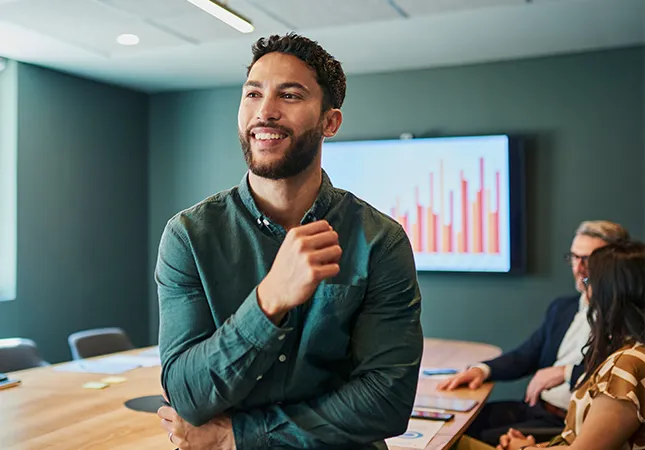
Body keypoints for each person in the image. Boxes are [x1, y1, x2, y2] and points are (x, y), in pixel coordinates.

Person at [155, 33, 423, 450]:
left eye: (290, 95)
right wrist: (268, 302)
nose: (265, 111)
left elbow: (386, 401)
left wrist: (239, 437)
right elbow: (187, 395)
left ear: (329, 122)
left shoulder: (380, 241)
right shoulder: (188, 236)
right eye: (253, 94)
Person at [438, 220, 630, 445]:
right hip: (536, 408)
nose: (579, 268)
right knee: (455, 422)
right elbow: (527, 353)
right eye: (574, 258)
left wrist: (565, 372)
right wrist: (483, 370)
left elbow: (616, 377)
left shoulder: (628, 319)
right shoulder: (563, 307)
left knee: (462, 440)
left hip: (569, 424)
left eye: (588, 259)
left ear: (614, 264)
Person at [494, 240, 645, 449]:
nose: (586, 289)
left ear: (610, 294)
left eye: (590, 280)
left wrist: (521, 448)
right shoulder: (630, 353)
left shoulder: (627, 365)